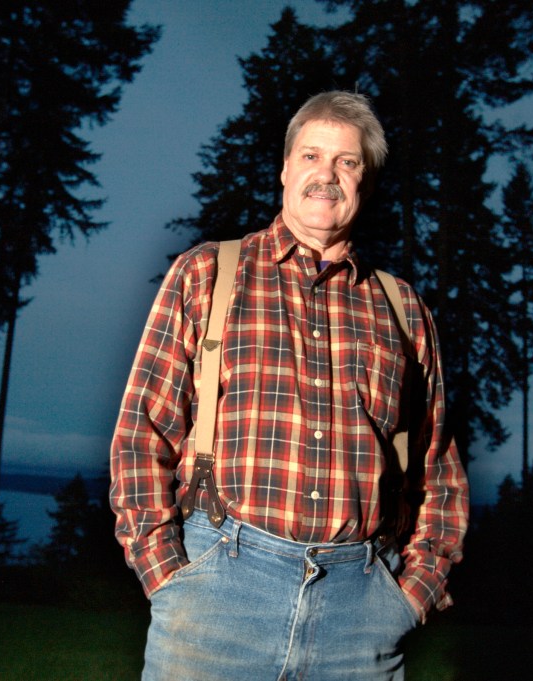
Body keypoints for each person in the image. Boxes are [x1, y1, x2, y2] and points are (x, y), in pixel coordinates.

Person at [110, 91, 468, 680]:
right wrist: (168, 575)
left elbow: (438, 467)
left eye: (347, 162)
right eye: (311, 155)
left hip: (362, 611)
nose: (326, 174)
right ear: (284, 168)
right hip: (216, 593)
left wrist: (414, 591)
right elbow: (140, 434)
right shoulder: (208, 272)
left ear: (367, 182)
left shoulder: (403, 308)